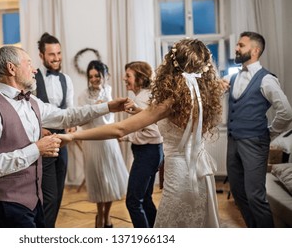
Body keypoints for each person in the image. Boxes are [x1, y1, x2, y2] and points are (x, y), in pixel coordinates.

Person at [58, 38, 224, 227]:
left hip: (180, 174)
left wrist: (73, 135)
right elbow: (169, 122)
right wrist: (139, 112)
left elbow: (119, 128)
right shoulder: (201, 96)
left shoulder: (170, 101)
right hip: (201, 172)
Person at [0, 45, 127, 228]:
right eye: (28, 64)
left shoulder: (31, 101)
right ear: (12, 68)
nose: (34, 69)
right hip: (6, 205)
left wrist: (108, 107)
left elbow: (66, 116)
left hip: (35, 200)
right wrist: (36, 149)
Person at [223, 31, 292, 228]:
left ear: (255, 50)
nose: (236, 48)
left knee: (255, 196)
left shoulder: (266, 79)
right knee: (238, 193)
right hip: (233, 141)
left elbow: (286, 112)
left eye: (240, 45)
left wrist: (269, 132)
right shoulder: (233, 77)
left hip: (255, 143)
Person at [78, 60, 128, 228]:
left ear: (103, 76)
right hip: (92, 141)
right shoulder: (83, 95)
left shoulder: (108, 91)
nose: (93, 79)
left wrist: (105, 106)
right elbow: (81, 119)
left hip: (108, 140)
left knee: (110, 180)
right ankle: (100, 216)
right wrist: (95, 108)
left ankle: (107, 215)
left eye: (97, 76)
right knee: (99, 181)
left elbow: (111, 118)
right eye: (90, 76)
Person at [34, 32, 75, 228]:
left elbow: (69, 108)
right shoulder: (32, 79)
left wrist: (72, 124)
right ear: (41, 56)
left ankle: (48, 229)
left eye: (59, 53)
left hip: (62, 141)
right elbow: (25, 110)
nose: (57, 58)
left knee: (58, 192)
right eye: (51, 54)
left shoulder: (66, 79)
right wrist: (39, 128)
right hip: (43, 142)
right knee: (48, 195)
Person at [120, 61, 163, 228]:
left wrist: (125, 135)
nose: (125, 78)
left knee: (133, 201)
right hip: (152, 152)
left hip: (147, 153)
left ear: (140, 78)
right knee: (145, 199)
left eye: (128, 75)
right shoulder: (143, 96)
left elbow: (154, 131)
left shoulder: (142, 99)